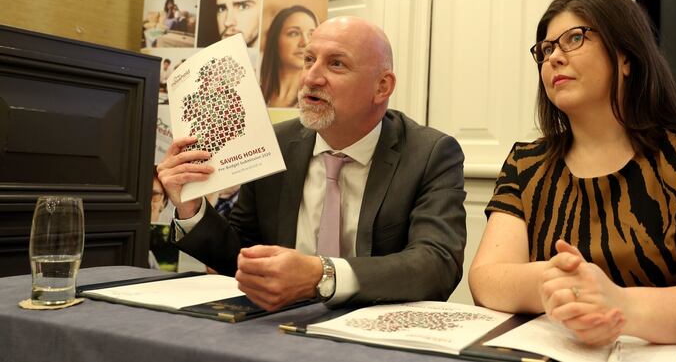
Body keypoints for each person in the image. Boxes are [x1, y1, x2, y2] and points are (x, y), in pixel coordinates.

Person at [468, 0, 676, 346]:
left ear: (626, 57)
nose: (553, 58)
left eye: (574, 38)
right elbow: (486, 280)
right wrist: (555, 282)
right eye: (546, 49)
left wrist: (618, 306)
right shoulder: (526, 163)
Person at [157, 16, 467, 311]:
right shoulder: (274, 143)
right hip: (279, 325)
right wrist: (192, 207)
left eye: (336, 63)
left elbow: (436, 264)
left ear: (382, 87)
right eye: (308, 60)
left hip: (374, 332)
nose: (310, 77)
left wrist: (321, 275)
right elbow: (240, 256)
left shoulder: (430, 153)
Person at [260, 5, 318, 107]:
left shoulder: (317, 99)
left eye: (311, 34)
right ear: (275, 40)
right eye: (294, 33)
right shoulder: (255, 95)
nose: (305, 42)